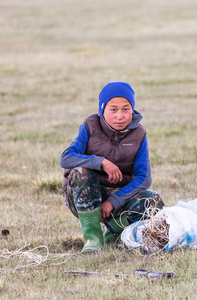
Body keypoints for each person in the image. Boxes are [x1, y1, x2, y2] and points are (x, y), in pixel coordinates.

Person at [60, 81, 164, 253]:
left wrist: (114, 201)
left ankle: (112, 233)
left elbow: (144, 178)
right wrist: (101, 162)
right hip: (83, 194)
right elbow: (66, 158)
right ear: (102, 109)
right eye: (113, 109)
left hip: (117, 196)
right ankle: (92, 239)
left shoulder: (139, 134)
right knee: (80, 172)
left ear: (133, 109)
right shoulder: (90, 126)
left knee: (153, 201)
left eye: (126, 109)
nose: (120, 115)